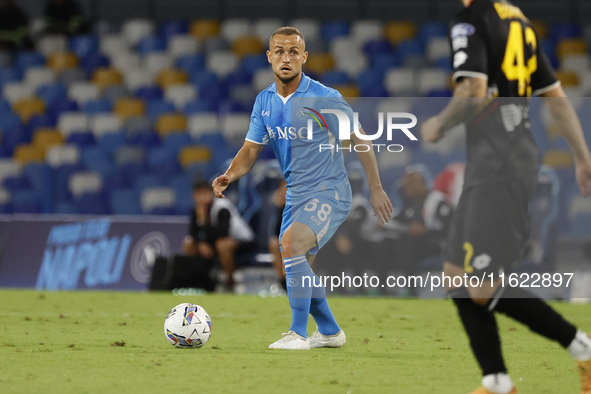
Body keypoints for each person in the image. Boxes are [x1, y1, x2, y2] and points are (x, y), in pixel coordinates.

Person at [421, 1, 591, 393]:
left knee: (480, 286)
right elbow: (556, 99)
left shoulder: (470, 20)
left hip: (502, 165)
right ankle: (496, 381)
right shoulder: (520, 23)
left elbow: (473, 88)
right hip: (498, 162)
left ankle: (581, 348)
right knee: (454, 274)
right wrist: (582, 158)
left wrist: (439, 125)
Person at [212, 27, 393, 350]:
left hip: (330, 190)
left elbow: (361, 139)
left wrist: (376, 188)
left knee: (290, 245)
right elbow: (251, 150)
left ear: (304, 57)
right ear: (269, 57)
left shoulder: (324, 98)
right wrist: (229, 174)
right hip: (297, 193)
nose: (286, 57)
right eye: (279, 51)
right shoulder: (264, 101)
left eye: (293, 51)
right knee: (296, 265)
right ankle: (329, 331)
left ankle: (297, 333)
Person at [384, 165, 452, 295]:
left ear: (422, 182)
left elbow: (451, 229)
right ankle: (382, 289)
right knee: (385, 243)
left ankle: (411, 289)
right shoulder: (410, 202)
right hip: (414, 243)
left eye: (410, 184)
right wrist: (384, 220)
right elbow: (399, 220)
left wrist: (426, 231)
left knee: (405, 243)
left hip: (436, 244)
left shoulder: (437, 201)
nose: (406, 188)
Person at [183, 181, 256, 291]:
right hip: (215, 241)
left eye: (205, 193)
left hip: (243, 241)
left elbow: (222, 233)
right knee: (188, 243)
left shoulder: (222, 207)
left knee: (222, 244)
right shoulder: (196, 209)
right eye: (199, 194)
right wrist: (201, 243)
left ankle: (230, 282)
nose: (202, 198)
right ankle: (199, 281)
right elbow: (193, 232)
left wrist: (203, 222)